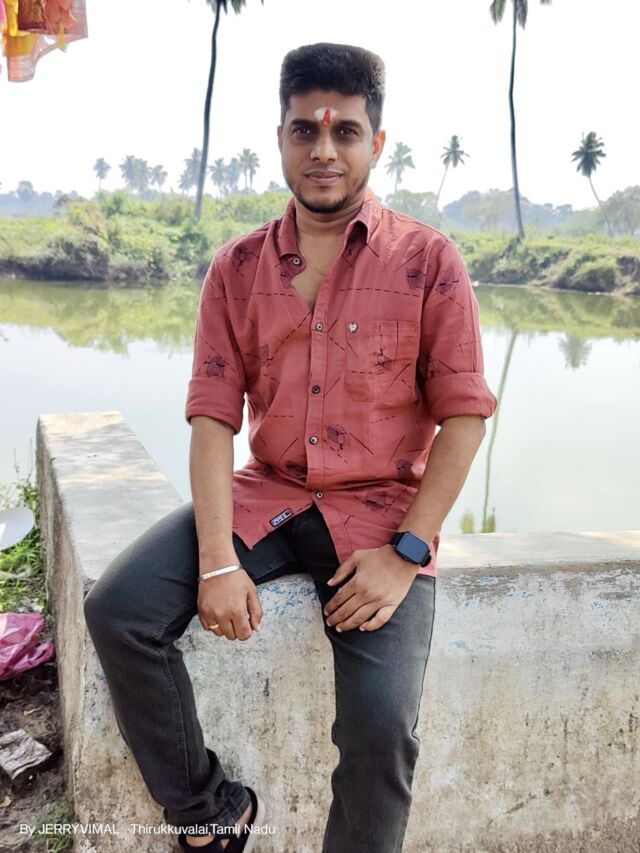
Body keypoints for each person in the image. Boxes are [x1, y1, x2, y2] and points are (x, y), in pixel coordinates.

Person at [83, 42, 497, 853]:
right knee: (120, 610)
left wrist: (407, 553)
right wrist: (216, 561)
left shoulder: (428, 261)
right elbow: (212, 417)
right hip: (266, 494)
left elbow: (465, 417)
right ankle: (210, 812)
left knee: (382, 730)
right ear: (280, 138)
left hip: (382, 518)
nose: (323, 149)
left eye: (345, 131)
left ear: (377, 143)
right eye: (305, 129)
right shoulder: (237, 268)